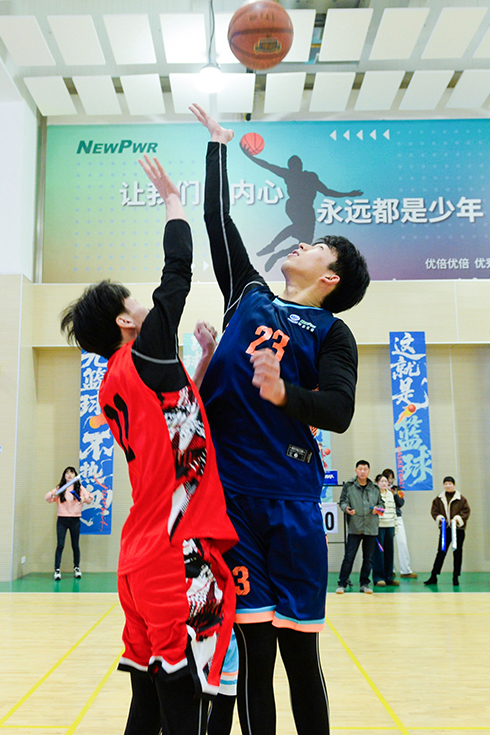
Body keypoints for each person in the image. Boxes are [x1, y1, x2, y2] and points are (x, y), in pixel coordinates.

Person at [190, 103, 370, 735]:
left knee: (300, 657)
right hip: (233, 501)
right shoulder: (247, 294)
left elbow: (339, 411)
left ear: (330, 276)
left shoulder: (332, 333)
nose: (302, 243)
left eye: (315, 246)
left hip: (291, 501)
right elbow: (218, 220)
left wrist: (284, 394)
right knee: (252, 659)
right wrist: (218, 146)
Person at [61, 154, 238, 735]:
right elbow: (177, 275)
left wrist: (203, 361)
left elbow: (177, 424)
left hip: (136, 556)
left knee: (146, 696)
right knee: (185, 696)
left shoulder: (114, 381)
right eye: (134, 302)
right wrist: (173, 202)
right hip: (173, 552)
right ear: (124, 322)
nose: (146, 305)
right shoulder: (143, 351)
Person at [240, 143, 362, 272]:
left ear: (300, 165)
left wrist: (348, 194)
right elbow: (267, 165)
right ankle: (272, 247)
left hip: (306, 210)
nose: (296, 166)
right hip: (295, 207)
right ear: (292, 166)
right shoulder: (290, 174)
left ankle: (276, 253)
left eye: (297, 163)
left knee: (303, 244)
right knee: (296, 228)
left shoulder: (309, 176)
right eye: (294, 164)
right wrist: (249, 156)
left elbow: (327, 192)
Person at [337, 461, 384, 595]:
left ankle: (364, 584)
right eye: (360, 469)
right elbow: (342, 501)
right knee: (349, 557)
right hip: (355, 526)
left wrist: (378, 508)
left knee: (368, 558)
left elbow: (382, 504)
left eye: (365, 469)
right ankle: (342, 583)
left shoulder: (375, 488)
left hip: (371, 527)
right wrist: (346, 508)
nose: (363, 471)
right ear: (356, 470)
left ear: (368, 471)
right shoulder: (349, 486)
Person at [44, 466, 93, 580]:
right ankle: (57, 569)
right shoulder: (60, 488)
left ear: (75, 475)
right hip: (62, 520)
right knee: (60, 545)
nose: (69, 475)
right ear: (64, 476)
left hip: (75, 520)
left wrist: (84, 498)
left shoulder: (79, 488)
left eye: (72, 473)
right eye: (67, 473)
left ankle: (76, 568)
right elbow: (47, 498)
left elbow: (90, 498)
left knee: (75, 545)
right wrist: (54, 493)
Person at [424, 476, 471, 587]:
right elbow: (434, 511)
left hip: (458, 530)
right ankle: (434, 575)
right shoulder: (439, 499)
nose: (448, 486)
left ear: (454, 485)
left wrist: (457, 519)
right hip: (445, 530)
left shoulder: (461, 499)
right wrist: (440, 518)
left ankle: (456, 576)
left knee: (457, 552)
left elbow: (466, 511)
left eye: (450, 484)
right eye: (446, 484)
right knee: (441, 551)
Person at [382, 467, 417, 579]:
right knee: (387, 545)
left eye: (391, 478)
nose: (390, 481)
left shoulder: (397, 489)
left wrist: (395, 494)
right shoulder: (379, 489)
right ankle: (389, 570)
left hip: (397, 517)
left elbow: (401, 503)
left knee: (402, 542)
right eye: (388, 478)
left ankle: (406, 570)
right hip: (385, 518)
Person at [372, 474, 399, 588]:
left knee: (389, 552)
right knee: (378, 553)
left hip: (390, 526)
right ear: (377, 483)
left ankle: (389, 577)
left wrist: (395, 526)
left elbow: (394, 511)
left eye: (385, 481)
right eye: (382, 481)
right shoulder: (374, 494)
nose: (384, 483)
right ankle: (379, 578)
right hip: (379, 526)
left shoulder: (390, 494)